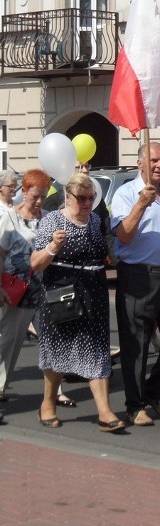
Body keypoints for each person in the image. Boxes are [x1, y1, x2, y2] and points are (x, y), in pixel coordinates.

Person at [31, 173, 125, 432]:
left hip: (94, 291)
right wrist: (53, 246)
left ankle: (105, 412)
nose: (86, 203)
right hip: (63, 292)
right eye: (81, 198)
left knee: (96, 350)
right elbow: (35, 263)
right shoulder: (53, 220)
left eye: (91, 198)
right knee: (59, 350)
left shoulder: (95, 220)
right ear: (68, 196)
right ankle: (48, 403)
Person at [111, 143, 160, 426]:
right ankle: (134, 405)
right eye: (153, 160)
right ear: (140, 162)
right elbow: (124, 236)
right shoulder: (126, 193)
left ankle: (155, 392)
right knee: (137, 344)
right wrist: (141, 204)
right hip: (138, 276)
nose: (159, 165)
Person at [0, 170, 50, 404]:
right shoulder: (10, 218)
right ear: (24, 192)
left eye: (44, 196)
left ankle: (54, 392)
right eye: (35, 196)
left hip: (46, 288)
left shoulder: (48, 218)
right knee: (11, 340)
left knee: (51, 340)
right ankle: (0, 386)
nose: (39, 201)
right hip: (17, 288)